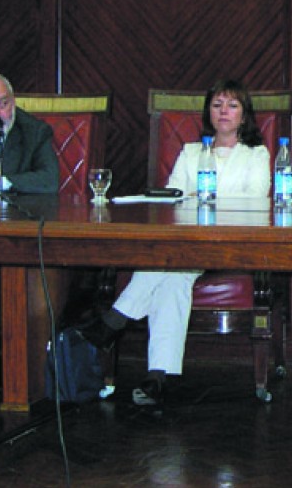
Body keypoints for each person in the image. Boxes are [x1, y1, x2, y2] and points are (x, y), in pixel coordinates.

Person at [79, 79, 270, 407]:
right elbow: (174, 198)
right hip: (187, 241)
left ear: (244, 115)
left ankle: (114, 319)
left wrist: (204, 200)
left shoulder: (257, 154)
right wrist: (198, 201)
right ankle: (157, 376)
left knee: (170, 261)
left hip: (232, 242)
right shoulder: (191, 152)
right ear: (208, 112)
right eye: (217, 105)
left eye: (232, 105)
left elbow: (253, 200)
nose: (223, 112)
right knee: (174, 277)